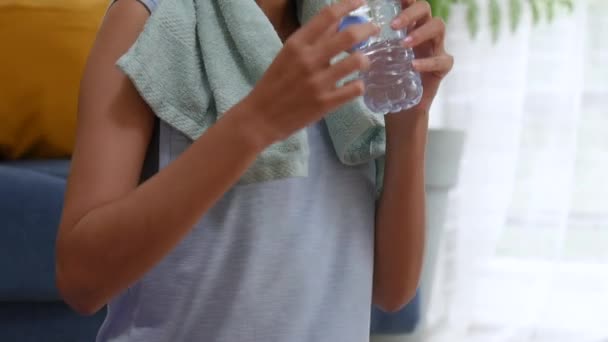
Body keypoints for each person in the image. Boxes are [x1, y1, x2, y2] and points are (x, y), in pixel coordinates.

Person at [55, 0, 453, 341]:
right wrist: (257, 121)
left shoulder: (357, 34)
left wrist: (411, 119)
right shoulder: (147, 22)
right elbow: (81, 278)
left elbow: (391, 289)